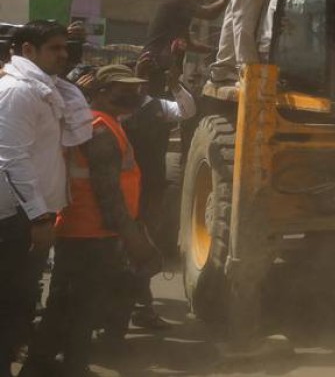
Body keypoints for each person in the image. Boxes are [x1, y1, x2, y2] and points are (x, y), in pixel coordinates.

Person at [23, 65, 161, 376]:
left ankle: (55, 364)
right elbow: (107, 191)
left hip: (81, 228)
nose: (133, 94)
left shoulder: (95, 123)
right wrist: (131, 236)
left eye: (136, 88)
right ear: (100, 93)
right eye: (123, 89)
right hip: (91, 232)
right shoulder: (100, 129)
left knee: (71, 303)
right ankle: (57, 366)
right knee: (79, 306)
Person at [0, 21, 93, 372]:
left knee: (20, 304)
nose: (64, 55)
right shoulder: (18, 92)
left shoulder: (47, 91)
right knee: (9, 304)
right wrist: (39, 217)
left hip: (32, 217)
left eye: (64, 48)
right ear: (28, 51)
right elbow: (10, 157)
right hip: (16, 219)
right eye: (54, 48)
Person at [116, 55, 194, 330]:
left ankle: (141, 306)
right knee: (121, 247)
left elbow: (187, 110)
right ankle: (122, 309)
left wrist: (176, 85)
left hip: (150, 187)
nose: (143, 81)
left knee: (143, 244)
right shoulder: (119, 109)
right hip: (120, 189)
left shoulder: (158, 106)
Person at [143, 0, 228, 91]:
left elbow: (190, 44)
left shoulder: (180, 18)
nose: (195, 11)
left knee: (155, 95)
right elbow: (210, 13)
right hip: (156, 61)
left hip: (154, 62)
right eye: (197, 6)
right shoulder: (181, 0)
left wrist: (213, 50)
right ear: (193, 0)